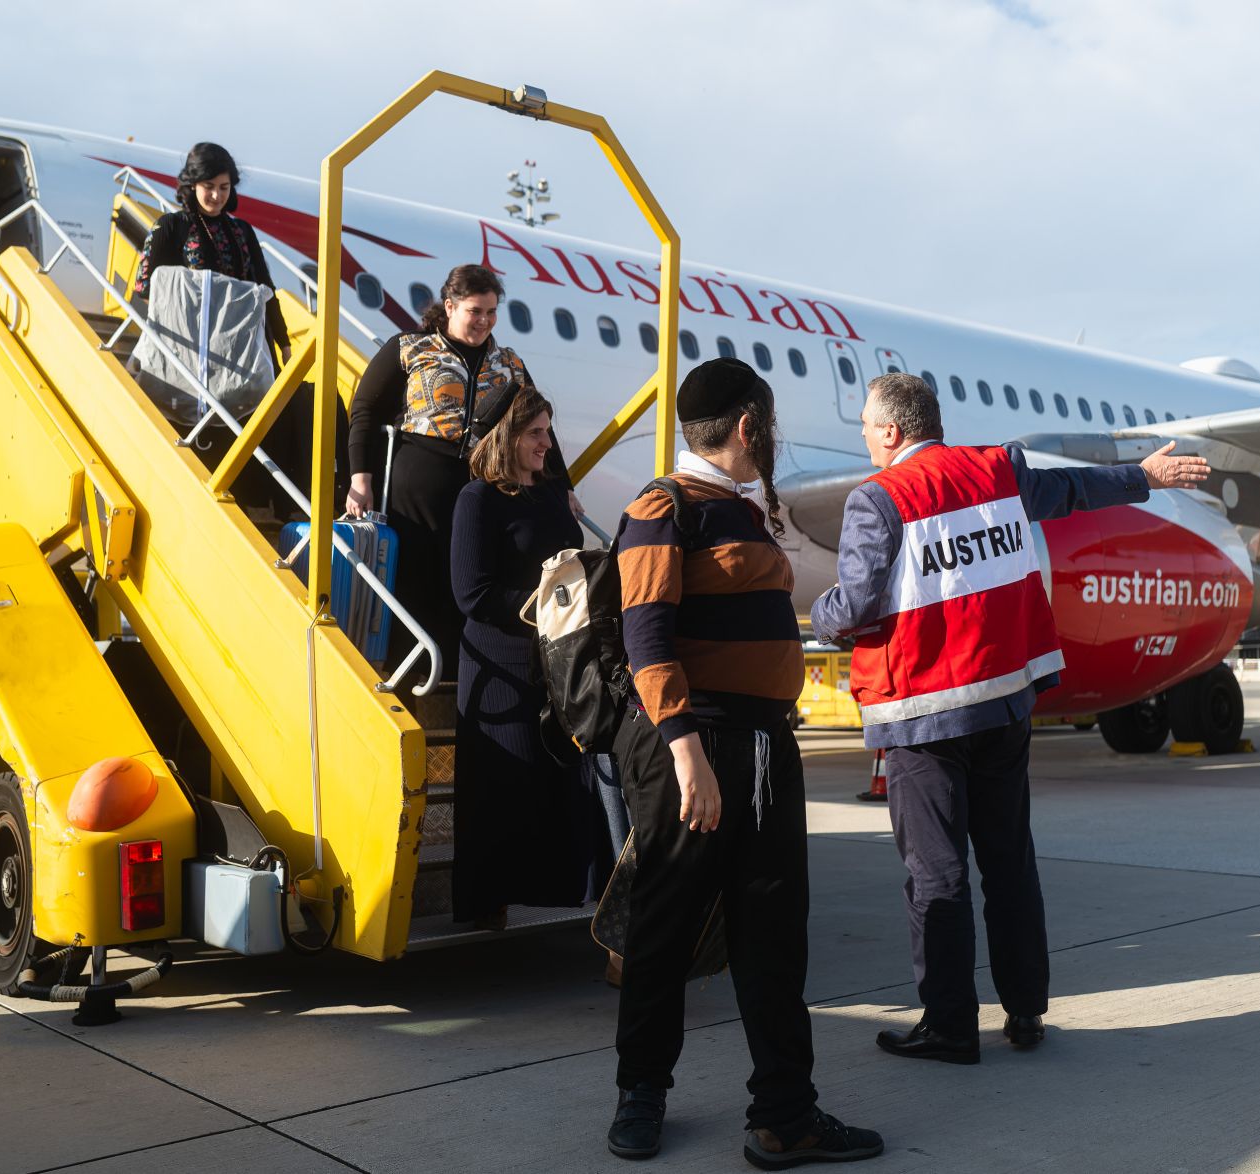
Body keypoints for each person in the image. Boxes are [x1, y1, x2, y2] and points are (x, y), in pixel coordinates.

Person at [809, 372, 1209, 1064]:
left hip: (925, 718)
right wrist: (1142, 477)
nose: (866, 438)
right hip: (1003, 702)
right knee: (1009, 865)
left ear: (893, 432)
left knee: (937, 876)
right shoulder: (998, 470)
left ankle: (950, 1026)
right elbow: (1072, 491)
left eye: (869, 427)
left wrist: (815, 613)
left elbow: (856, 605)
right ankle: (1025, 1012)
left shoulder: (877, 499)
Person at [606, 358, 882, 1169]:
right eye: (770, 423)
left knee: (774, 936)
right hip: (694, 748)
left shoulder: (746, 509)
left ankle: (785, 1117)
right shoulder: (664, 507)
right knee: (664, 930)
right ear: (749, 425)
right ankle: (641, 1094)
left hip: (765, 748)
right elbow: (645, 636)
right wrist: (687, 752)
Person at [346, 263, 568, 680]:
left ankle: (452, 680)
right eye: (474, 311)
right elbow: (364, 412)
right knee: (414, 582)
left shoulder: (509, 363)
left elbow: (539, 424)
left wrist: (563, 488)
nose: (484, 321)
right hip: (417, 491)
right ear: (449, 306)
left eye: (491, 311)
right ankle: (406, 678)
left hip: (481, 491)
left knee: (466, 583)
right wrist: (361, 477)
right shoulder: (410, 348)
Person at [448, 388, 608, 928]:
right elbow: (472, 594)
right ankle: (485, 903)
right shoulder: (477, 499)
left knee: (560, 781)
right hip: (502, 665)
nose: (547, 443)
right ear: (508, 437)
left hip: (556, 658)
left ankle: (565, 892)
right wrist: (552, 607)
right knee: (502, 786)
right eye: (536, 433)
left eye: (547, 431)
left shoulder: (552, 493)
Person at [131, 141, 337, 517]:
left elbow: (265, 289)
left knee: (272, 414)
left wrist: (283, 342)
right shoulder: (170, 226)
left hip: (239, 349)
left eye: (224, 188)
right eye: (208, 187)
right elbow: (146, 288)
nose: (216, 196)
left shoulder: (242, 231)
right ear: (192, 185)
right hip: (188, 352)